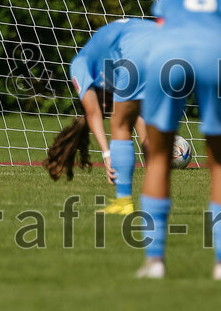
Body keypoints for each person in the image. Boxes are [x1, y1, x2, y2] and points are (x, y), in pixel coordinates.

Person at [136, 0, 221, 280]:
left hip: (168, 57)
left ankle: (155, 261)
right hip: (217, 57)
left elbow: (159, 29)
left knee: (158, 158)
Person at [43, 18, 154, 215]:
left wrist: (107, 155)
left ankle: (124, 203)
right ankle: (156, 196)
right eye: (106, 109)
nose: (106, 106)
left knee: (120, 124)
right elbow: (138, 118)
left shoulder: (79, 64)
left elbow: (92, 112)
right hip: (161, 40)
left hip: (140, 46)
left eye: (105, 106)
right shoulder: (111, 64)